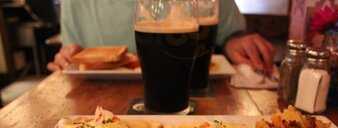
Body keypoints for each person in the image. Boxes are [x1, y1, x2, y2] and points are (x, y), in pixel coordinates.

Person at [48, 0, 275, 74]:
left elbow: (229, 34)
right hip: (100, 110)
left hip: (197, 98)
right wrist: (68, 58)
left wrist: (236, 41)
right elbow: (74, 55)